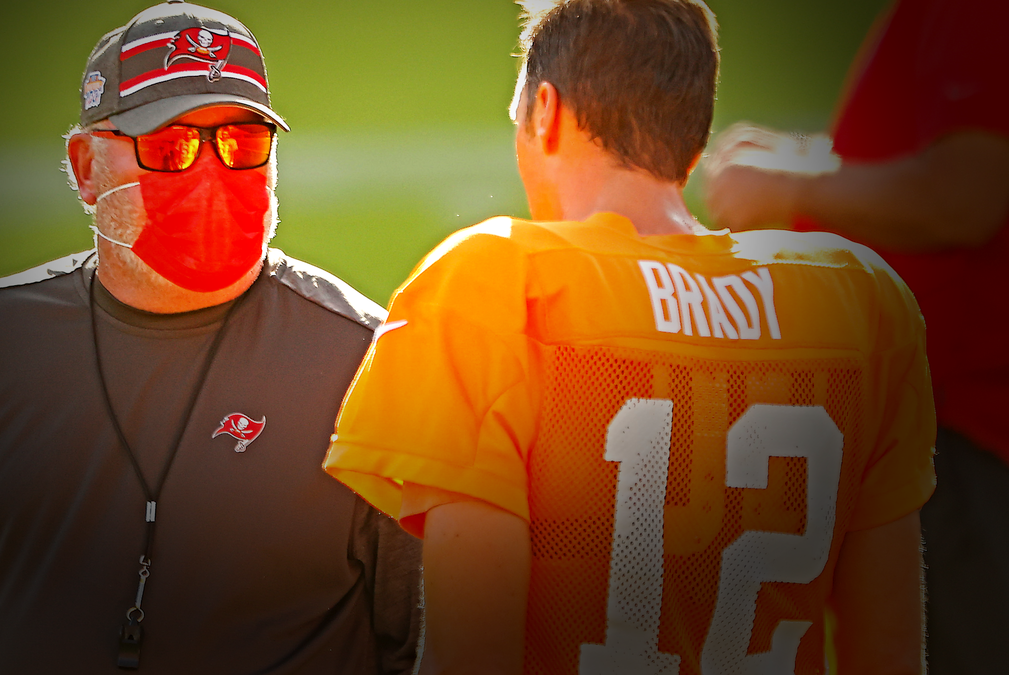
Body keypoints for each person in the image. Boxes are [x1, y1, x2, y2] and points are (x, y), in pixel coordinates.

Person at [323, 0, 934, 673]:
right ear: (693, 141)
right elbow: (890, 653)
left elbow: (471, 657)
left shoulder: (495, 287)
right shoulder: (857, 302)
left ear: (545, 112)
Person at [0, 1, 421, 673]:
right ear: (86, 167)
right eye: (170, 147)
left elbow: (424, 644)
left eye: (241, 143)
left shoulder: (365, 358)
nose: (211, 174)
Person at [702, 0, 1009, 670]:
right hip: (938, 419)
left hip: (967, 430)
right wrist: (805, 159)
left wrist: (791, 186)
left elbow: (967, 194)